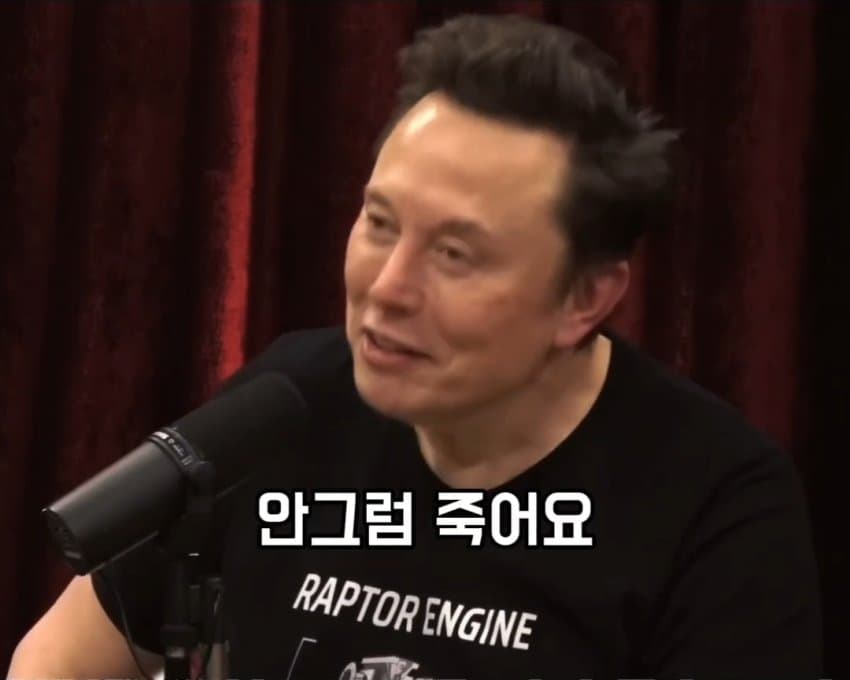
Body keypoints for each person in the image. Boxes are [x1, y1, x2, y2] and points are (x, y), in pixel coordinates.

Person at [8, 13, 821, 680]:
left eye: (455, 255)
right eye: (380, 223)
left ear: (585, 299)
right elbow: (60, 660)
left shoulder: (714, 502)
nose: (389, 287)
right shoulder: (290, 404)